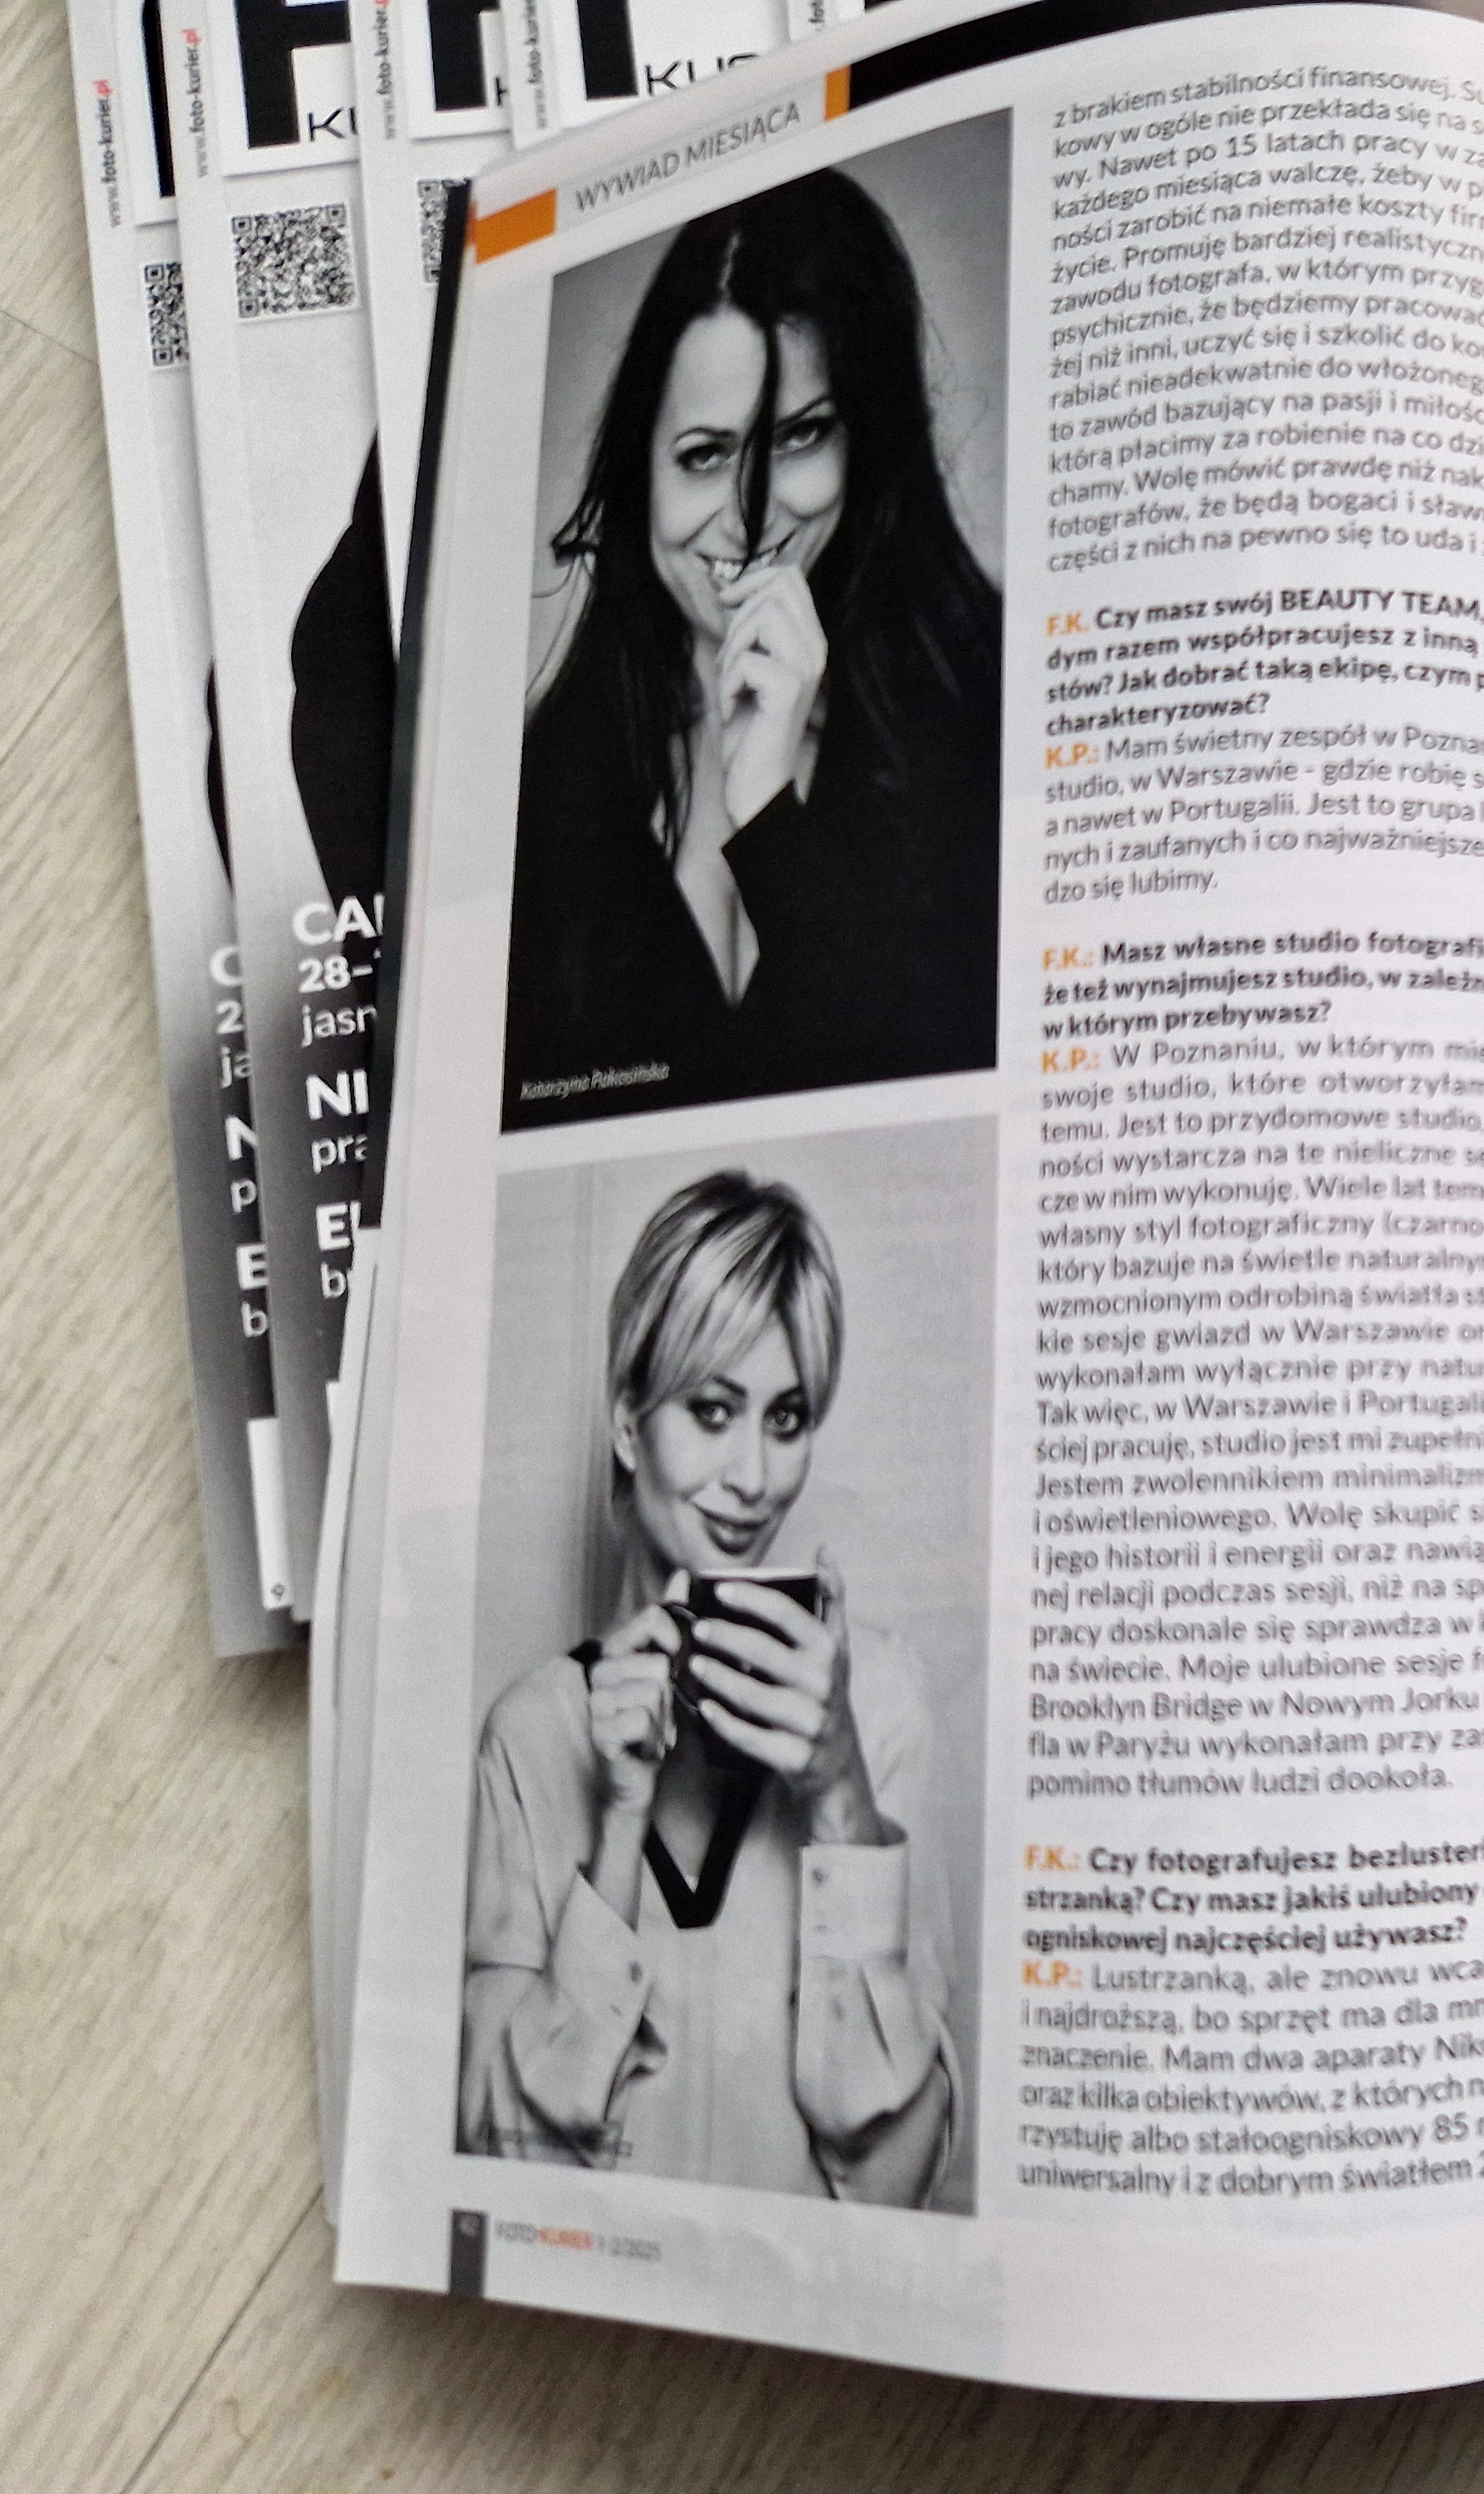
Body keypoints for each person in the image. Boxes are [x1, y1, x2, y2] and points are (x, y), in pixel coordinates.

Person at [459, 1171, 959, 2205]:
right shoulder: (531, 1734)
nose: (754, 1478)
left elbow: (899, 2187)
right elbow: (511, 2176)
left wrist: (839, 1797)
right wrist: (620, 1819)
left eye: (787, 1418)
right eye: (713, 1410)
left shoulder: (883, 1703)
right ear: (628, 1424)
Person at [505, 170, 1000, 1129]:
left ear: (868, 443)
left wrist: (771, 811)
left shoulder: (987, 718)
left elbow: (910, 1089)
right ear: (640, 472)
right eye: (705, 454)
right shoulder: (548, 786)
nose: (749, 517)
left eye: (801, 437)